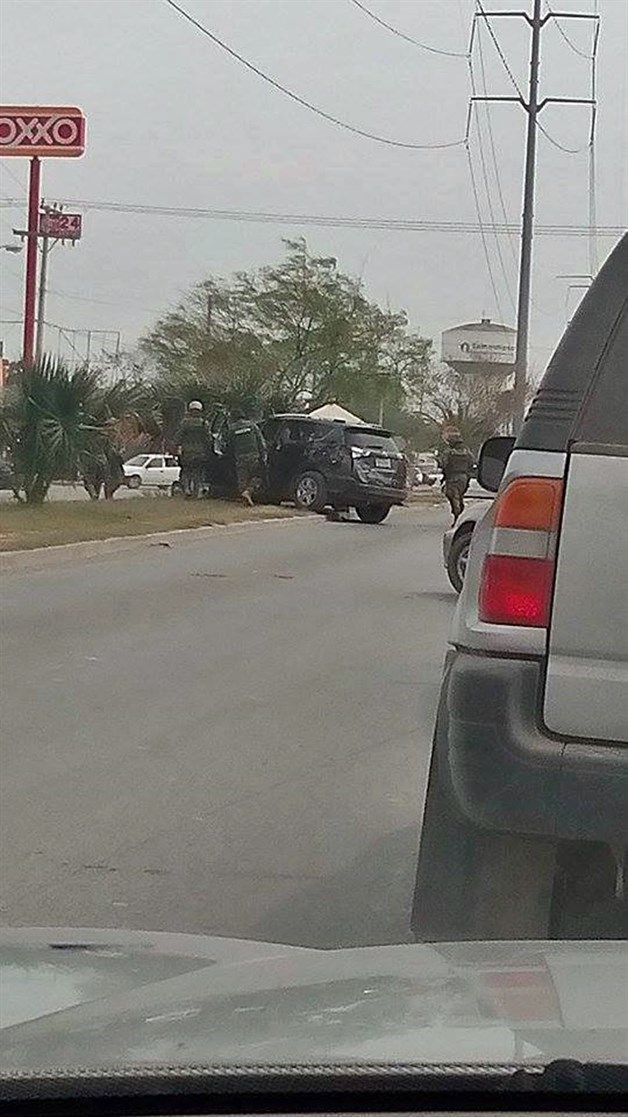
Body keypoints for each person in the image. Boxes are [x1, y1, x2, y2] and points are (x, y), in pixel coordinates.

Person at [177, 400, 212, 498]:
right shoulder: (204, 423)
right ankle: (196, 492)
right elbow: (208, 439)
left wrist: (178, 448)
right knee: (197, 472)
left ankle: (187, 489)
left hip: (187, 452)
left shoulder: (184, 423)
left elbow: (178, 437)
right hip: (200, 452)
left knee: (186, 471)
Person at [438, 431, 474, 523]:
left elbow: (444, 464)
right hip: (464, 478)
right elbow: (472, 463)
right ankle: (459, 512)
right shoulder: (467, 452)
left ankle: (457, 515)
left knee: (451, 495)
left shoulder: (449, 452)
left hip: (452, 477)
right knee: (459, 496)